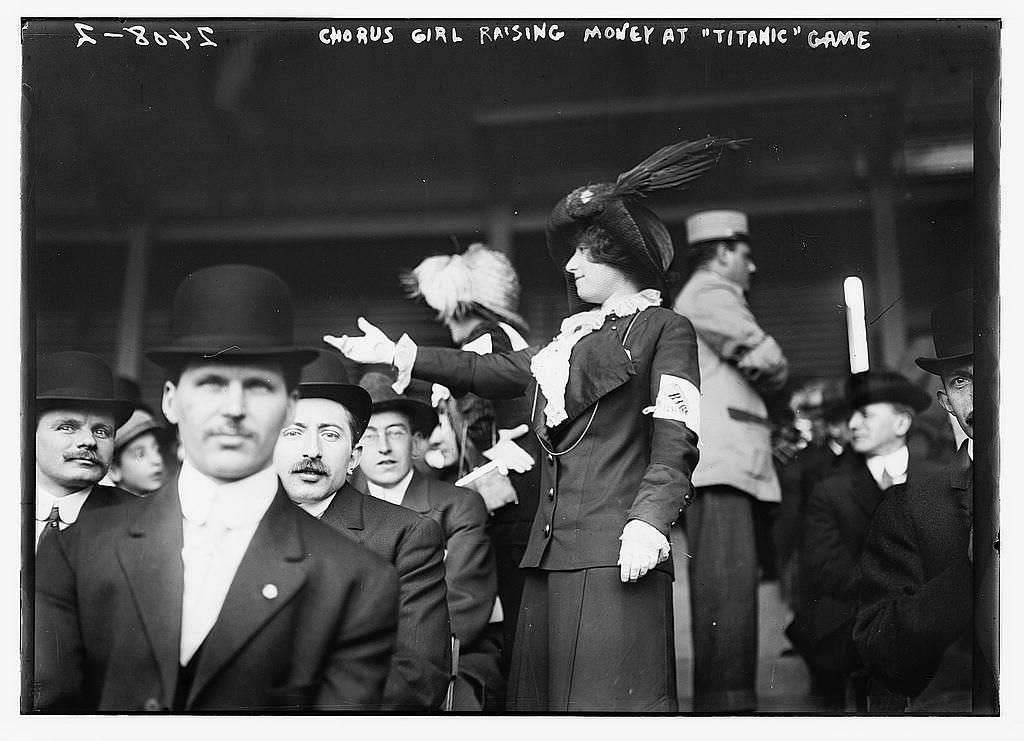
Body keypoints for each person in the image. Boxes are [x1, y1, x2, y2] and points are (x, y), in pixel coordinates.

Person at [328, 137, 739, 711]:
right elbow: (484, 368)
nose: (569, 267)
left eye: (583, 256)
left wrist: (651, 521)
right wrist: (399, 355)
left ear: (617, 259)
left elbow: (678, 432)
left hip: (616, 550)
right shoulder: (565, 342)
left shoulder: (664, 328)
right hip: (546, 559)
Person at [34, 264, 399, 712]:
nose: (234, 410)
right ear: (170, 399)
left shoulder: (356, 581)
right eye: (210, 383)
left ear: (289, 409)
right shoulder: (75, 553)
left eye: (259, 387)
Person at [274, 350, 451, 711]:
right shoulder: (232, 529)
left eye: (330, 434)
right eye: (293, 432)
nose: (313, 451)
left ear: (354, 456)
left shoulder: (406, 537)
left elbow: (417, 678)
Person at [854, 289, 994, 713]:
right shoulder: (912, 507)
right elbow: (881, 650)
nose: (981, 395)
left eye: (992, 371)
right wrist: (971, 573)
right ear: (946, 403)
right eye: (961, 380)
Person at [403, 242, 540, 673]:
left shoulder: (484, 343)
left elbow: (479, 414)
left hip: (503, 499)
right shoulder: (512, 338)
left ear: (458, 305)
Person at [672, 208, 789, 712]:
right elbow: (770, 360)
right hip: (721, 463)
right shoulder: (711, 292)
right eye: (745, 253)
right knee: (726, 597)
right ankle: (726, 711)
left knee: (730, 594)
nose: (754, 266)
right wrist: (770, 363)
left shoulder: (705, 293)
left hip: (725, 463)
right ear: (722, 253)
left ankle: (728, 704)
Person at [789, 370, 937, 710]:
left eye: (866, 414)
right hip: (859, 622)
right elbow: (826, 565)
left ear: (901, 423)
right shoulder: (830, 489)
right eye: (851, 415)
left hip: (933, 621)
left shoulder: (939, 477)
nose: (854, 424)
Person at [355, 371, 503, 711]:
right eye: (370, 435)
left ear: (417, 442)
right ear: (354, 448)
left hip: (450, 656)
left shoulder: (460, 505)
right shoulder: (343, 506)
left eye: (396, 433)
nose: (384, 447)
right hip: (363, 659)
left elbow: (463, 605)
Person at [34, 350, 136, 549]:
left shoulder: (138, 518)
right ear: (30, 433)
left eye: (101, 431)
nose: (89, 441)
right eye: (67, 427)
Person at [104, 408, 170, 496]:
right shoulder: (108, 508)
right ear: (113, 470)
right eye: (140, 454)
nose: (157, 460)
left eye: (157, 450)